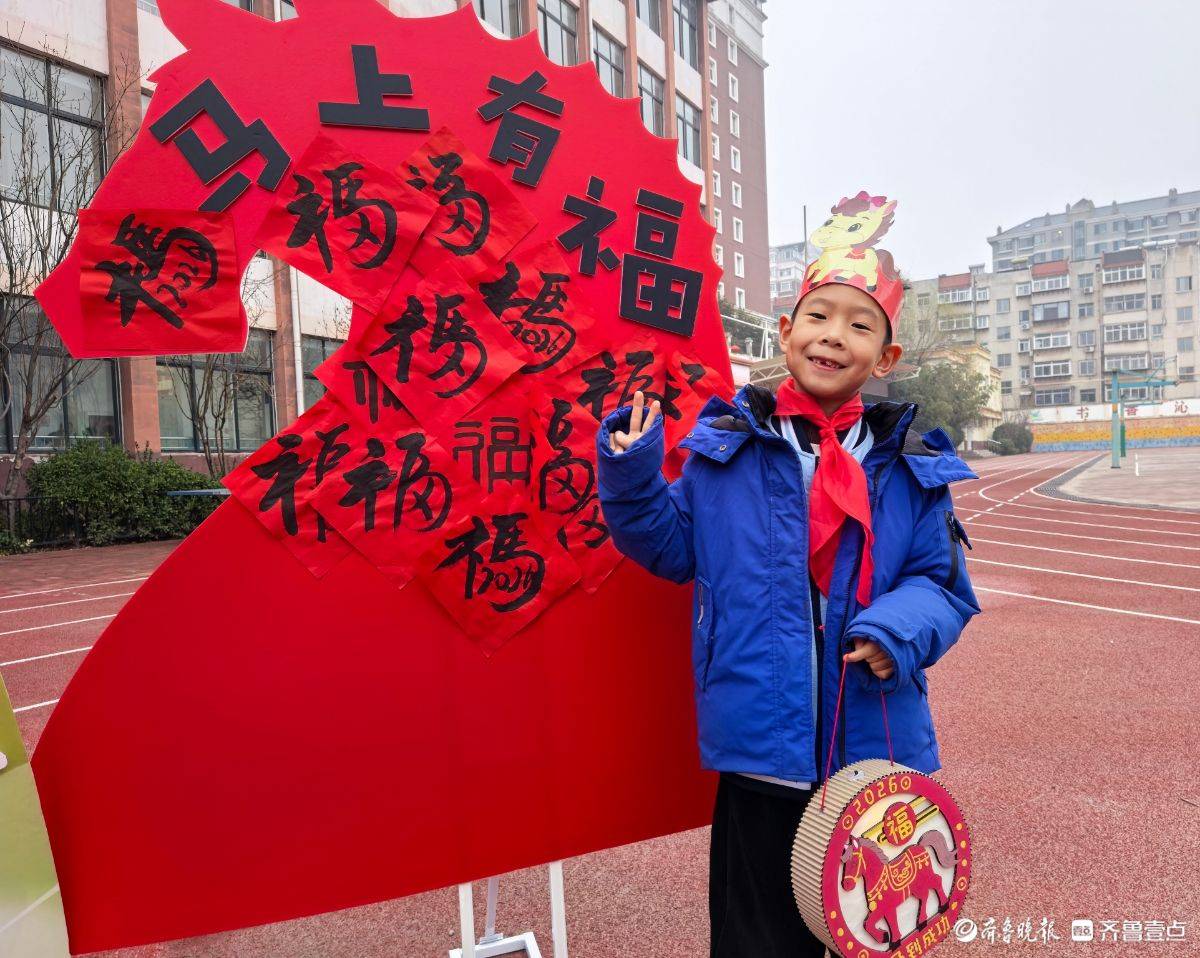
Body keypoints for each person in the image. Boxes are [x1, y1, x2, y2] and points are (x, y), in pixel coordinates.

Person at [595, 192, 981, 957]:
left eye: (859, 324)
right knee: (756, 937)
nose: (834, 336)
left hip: (875, 748)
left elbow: (944, 587)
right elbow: (670, 549)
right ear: (786, 331)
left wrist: (892, 630)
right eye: (819, 316)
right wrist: (633, 471)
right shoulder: (726, 450)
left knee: (871, 931)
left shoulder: (911, 469)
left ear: (886, 357)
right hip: (759, 750)